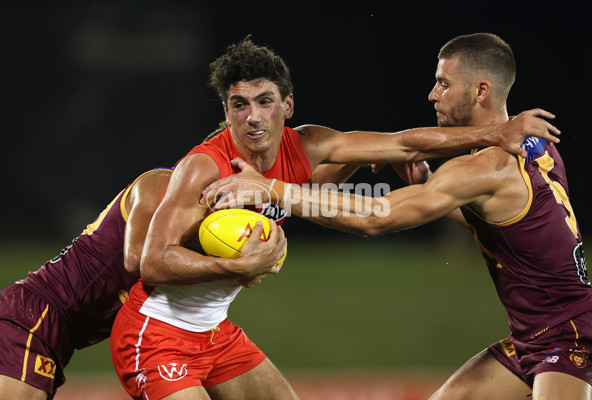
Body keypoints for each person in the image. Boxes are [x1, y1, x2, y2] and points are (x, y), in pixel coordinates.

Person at [110, 36, 562, 400]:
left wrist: (496, 132)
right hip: (157, 336)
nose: (252, 117)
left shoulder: (306, 145)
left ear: (287, 106)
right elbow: (151, 264)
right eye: (238, 105)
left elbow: (403, 143)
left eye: (264, 101)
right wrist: (235, 266)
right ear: (225, 111)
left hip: (216, 333)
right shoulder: (204, 168)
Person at [0, 168, 282, 400]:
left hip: (60, 334)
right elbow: (138, 261)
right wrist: (235, 266)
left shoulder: (206, 221)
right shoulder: (159, 184)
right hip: (35, 316)